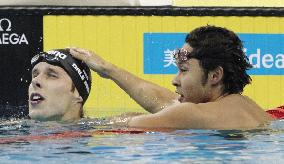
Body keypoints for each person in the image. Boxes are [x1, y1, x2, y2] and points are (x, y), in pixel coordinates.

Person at [69, 25, 273, 129]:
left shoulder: (193, 115)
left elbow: (112, 127)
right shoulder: (248, 108)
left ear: (215, 75)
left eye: (184, 70)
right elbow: (166, 102)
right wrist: (108, 69)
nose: (175, 80)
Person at [28, 49, 92, 122]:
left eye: (51, 75)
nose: (34, 81)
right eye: (35, 75)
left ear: (77, 93)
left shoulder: (98, 130)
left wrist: (107, 70)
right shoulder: (17, 128)